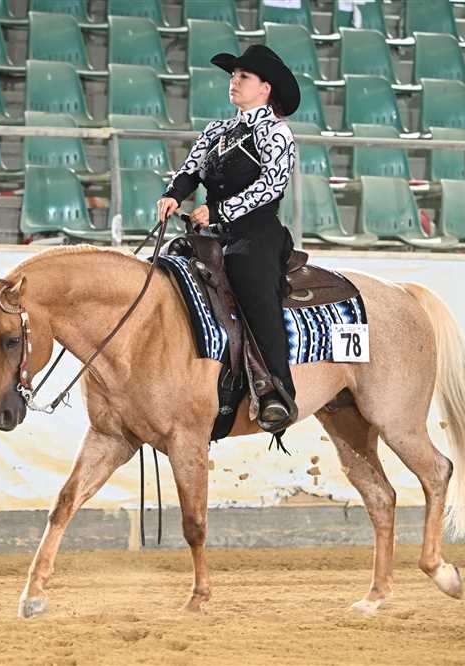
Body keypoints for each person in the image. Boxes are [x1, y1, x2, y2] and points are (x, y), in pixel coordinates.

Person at [156, 44, 300, 433]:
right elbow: (191, 170)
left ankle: (275, 389)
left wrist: (219, 211)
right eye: (233, 76)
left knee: (251, 281)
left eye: (243, 77)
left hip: (256, 233)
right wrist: (173, 194)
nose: (234, 81)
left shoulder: (277, 133)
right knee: (167, 265)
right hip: (214, 231)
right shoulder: (216, 130)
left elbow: (272, 185)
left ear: (265, 88)